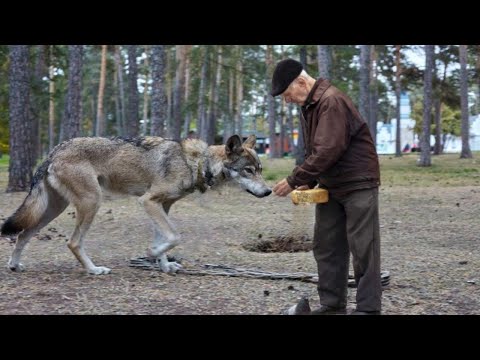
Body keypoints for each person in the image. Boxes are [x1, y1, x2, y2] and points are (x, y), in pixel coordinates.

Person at [271, 59, 382, 315]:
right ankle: (332, 305)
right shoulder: (310, 105)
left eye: (288, 94)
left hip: (358, 184)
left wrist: (293, 180)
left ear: (301, 82)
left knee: (364, 247)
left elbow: (328, 150)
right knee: (327, 245)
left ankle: (368, 309)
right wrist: (308, 182)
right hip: (331, 185)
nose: (287, 101)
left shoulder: (331, 101)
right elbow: (318, 151)